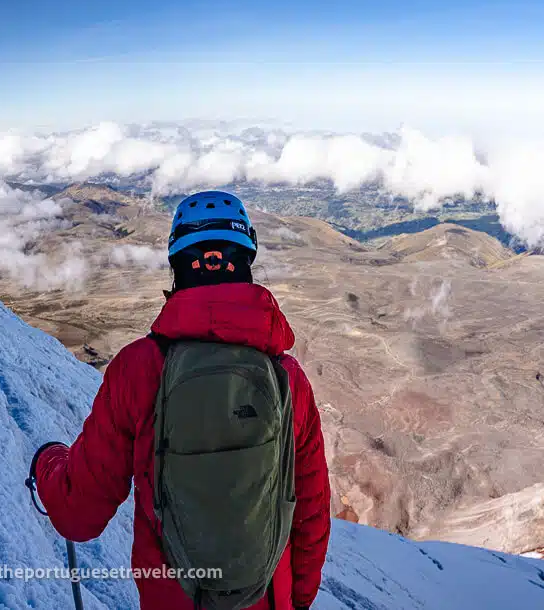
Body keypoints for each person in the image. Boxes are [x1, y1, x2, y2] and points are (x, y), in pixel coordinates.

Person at [30, 190, 331, 610]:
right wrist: (295, 602)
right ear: (248, 258)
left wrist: (47, 461)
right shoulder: (288, 379)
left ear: (176, 265)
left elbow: (78, 514)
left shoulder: (138, 368)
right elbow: (310, 514)